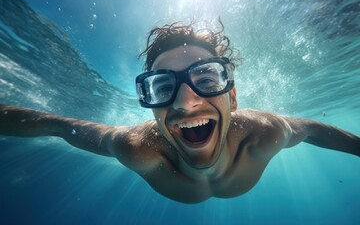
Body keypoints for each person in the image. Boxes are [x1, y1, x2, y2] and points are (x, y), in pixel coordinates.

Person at [0, 21, 359, 204]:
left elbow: (312, 129)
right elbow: (59, 125)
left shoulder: (264, 132)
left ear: (232, 98)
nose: (185, 103)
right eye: (162, 86)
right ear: (152, 107)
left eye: (206, 77)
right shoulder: (137, 147)